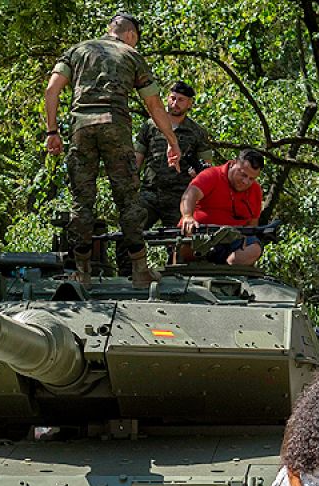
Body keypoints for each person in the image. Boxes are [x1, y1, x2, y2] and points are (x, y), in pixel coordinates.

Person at [44, 13, 180, 286]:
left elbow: (51, 90)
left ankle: (82, 271)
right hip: (116, 127)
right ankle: (140, 270)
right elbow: (154, 106)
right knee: (128, 200)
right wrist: (172, 141)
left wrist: (52, 132)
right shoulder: (131, 55)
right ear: (130, 34)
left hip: (81, 127)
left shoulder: (78, 51)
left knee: (81, 201)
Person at [134, 80, 214, 228]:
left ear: (189, 104)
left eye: (181, 100)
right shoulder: (151, 125)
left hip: (179, 197)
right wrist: (131, 183)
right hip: (150, 193)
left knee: (180, 242)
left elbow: (207, 168)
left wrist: (197, 174)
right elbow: (137, 158)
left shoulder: (197, 132)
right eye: (172, 98)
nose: (175, 103)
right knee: (131, 231)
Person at [178, 150, 265, 265]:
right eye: (243, 174)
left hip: (233, 241)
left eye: (251, 178)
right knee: (188, 243)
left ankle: (228, 272)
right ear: (234, 163)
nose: (245, 181)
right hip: (200, 236)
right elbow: (190, 194)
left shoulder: (255, 190)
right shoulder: (212, 174)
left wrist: (245, 237)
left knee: (254, 248)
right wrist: (188, 216)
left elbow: (253, 223)